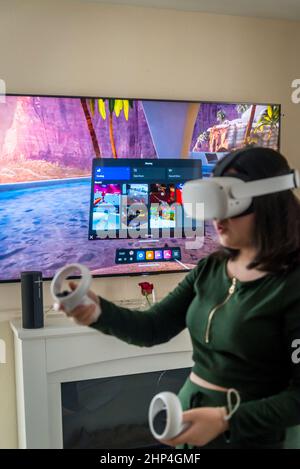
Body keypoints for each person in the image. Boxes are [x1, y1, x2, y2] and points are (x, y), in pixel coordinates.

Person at [61, 147, 300, 449]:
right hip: (191, 427)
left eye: (230, 201)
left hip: (252, 438)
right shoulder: (211, 269)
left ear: (269, 200)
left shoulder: (291, 285)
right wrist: (98, 313)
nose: (217, 216)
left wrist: (227, 419)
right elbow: (153, 327)